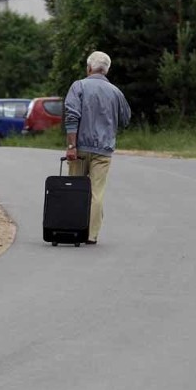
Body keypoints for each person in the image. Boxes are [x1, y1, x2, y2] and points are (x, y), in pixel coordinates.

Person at [64, 51, 131, 245]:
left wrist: (71, 145)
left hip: (79, 149)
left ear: (89, 68)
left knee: (76, 189)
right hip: (103, 150)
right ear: (107, 70)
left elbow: (72, 116)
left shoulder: (79, 86)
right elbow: (126, 119)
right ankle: (91, 235)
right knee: (96, 192)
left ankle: (74, 229)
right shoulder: (116, 92)